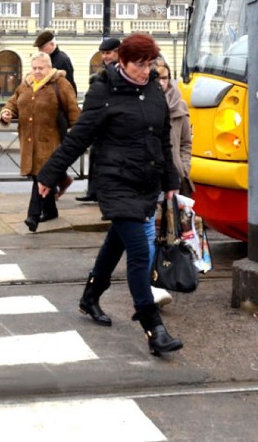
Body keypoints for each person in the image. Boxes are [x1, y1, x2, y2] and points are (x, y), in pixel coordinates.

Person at [36, 34, 184, 356]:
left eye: (150, 64)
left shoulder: (154, 89)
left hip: (145, 182)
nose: (146, 71)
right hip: (115, 181)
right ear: (122, 62)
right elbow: (80, 137)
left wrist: (171, 180)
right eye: (140, 64)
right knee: (138, 252)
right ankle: (153, 327)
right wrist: (50, 173)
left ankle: (91, 296)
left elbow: (163, 140)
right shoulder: (104, 90)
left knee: (116, 240)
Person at [0, 52, 80, 232]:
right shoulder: (25, 84)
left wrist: (78, 133)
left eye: (41, 68)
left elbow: (73, 110)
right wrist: (6, 113)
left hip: (51, 140)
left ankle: (33, 216)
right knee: (39, 176)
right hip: (29, 141)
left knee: (42, 176)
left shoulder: (60, 84)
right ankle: (50, 210)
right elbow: (13, 103)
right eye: (34, 68)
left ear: (49, 68)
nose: (37, 71)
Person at [145, 56, 194, 308]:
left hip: (173, 178)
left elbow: (186, 141)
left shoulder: (179, 105)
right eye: (157, 77)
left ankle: (162, 276)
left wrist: (183, 166)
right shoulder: (144, 103)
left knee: (170, 234)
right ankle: (151, 282)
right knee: (149, 232)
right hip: (149, 177)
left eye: (164, 77)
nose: (161, 82)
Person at [76, 37, 121, 203]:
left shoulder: (122, 71)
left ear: (118, 52)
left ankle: (103, 193)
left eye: (108, 53)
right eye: (103, 53)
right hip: (100, 124)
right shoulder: (103, 73)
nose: (105, 57)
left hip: (112, 126)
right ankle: (93, 191)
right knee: (95, 157)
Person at [33, 30, 77, 95]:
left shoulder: (62, 60)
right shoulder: (48, 59)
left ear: (52, 44)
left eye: (42, 47)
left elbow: (68, 86)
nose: (40, 51)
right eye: (39, 48)